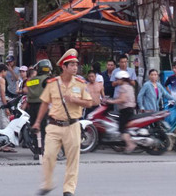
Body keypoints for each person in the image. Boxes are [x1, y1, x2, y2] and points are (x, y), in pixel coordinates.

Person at [33, 49, 92, 196]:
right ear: (63, 67)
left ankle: (69, 189)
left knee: (73, 160)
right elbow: (45, 103)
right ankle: (47, 184)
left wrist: (74, 100)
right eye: (71, 64)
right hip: (54, 125)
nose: (75, 67)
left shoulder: (80, 83)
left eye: (76, 64)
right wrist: (37, 121)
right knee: (48, 156)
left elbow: (89, 103)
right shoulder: (53, 83)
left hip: (72, 125)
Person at [104, 71, 137, 153]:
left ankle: (130, 144)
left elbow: (122, 100)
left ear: (122, 79)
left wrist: (110, 101)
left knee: (122, 128)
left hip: (125, 110)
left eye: (118, 79)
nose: (117, 81)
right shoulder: (130, 87)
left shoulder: (123, 87)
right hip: (130, 109)